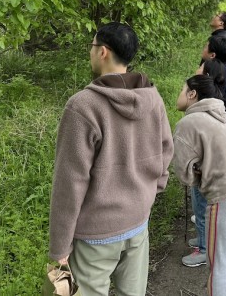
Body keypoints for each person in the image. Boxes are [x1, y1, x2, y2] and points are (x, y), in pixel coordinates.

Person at [48, 22, 174, 295]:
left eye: (92, 46)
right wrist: (149, 193)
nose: (90, 52)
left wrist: (60, 245)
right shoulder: (152, 98)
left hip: (96, 233)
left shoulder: (83, 106)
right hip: (138, 222)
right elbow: (166, 151)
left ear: (103, 51)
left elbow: (70, 182)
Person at [173, 75, 226, 296]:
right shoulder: (222, 117)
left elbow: (184, 175)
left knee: (219, 265)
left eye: (183, 89)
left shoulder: (188, 123)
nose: (179, 94)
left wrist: (199, 174)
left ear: (192, 94)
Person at [183, 59, 226, 267]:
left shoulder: (197, 117)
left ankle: (203, 248)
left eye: (200, 67)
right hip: (207, 169)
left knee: (202, 209)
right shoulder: (215, 108)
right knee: (200, 208)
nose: (197, 68)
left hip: (205, 172)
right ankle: (202, 239)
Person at [202, 35, 226, 121]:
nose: (203, 49)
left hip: (216, 120)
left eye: (205, 47)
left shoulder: (216, 74)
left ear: (212, 55)